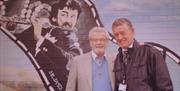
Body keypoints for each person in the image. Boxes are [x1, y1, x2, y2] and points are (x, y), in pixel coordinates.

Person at [14, 0, 83, 91]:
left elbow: (70, 63)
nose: (68, 20)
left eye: (73, 16)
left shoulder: (73, 44)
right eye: (64, 15)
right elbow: (17, 42)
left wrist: (40, 39)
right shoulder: (41, 29)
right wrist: (9, 28)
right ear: (54, 18)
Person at [112, 18, 173, 91]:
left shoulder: (150, 53)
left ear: (132, 31)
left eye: (123, 33)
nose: (120, 37)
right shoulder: (118, 59)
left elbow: (165, 87)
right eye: (116, 35)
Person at [66, 27, 115, 91]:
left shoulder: (115, 60)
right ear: (90, 42)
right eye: (95, 40)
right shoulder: (77, 61)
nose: (98, 42)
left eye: (102, 39)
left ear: (107, 42)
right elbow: (70, 88)